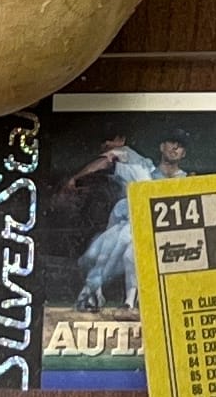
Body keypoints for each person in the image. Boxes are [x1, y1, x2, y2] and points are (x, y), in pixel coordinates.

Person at [64, 132, 187, 312]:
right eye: (172, 142)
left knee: (128, 250)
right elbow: (106, 163)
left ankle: (128, 301)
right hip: (136, 231)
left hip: (168, 239)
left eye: (180, 145)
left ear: (184, 154)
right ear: (162, 147)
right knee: (104, 253)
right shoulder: (143, 170)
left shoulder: (187, 180)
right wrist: (76, 179)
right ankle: (97, 296)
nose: (175, 147)